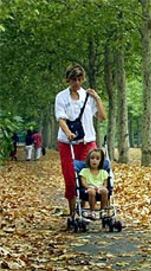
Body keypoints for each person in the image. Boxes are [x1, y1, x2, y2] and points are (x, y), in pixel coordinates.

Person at [55, 64, 107, 218]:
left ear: (83, 79)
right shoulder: (61, 97)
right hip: (67, 143)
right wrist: (68, 133)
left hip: (88, 141)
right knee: (71, 177)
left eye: (79, 79)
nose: (76, 83)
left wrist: (97, 99)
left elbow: (102, 117)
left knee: (89, 174)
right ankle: (73, 212)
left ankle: (84, 210)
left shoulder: (88, 97)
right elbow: (61, 119)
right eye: (73, 79)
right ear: (68, 80)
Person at [79, 149, 109, 214]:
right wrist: (88, 187)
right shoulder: (84, 171)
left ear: (101, 161)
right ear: (89, 160)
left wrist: (102, 187)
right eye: (92, 158)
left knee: (105, 191)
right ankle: (92, 210)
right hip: (89, 188)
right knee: (91, 192)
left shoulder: (103, 172)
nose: (94, 160)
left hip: (100, 188)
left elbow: (105, 184)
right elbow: (83, 182)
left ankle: (103, 210)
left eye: (97, 159)